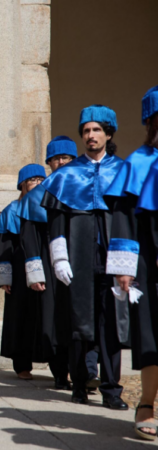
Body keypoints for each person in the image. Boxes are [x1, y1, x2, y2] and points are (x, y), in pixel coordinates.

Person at [39, 105, 126, 408]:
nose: (91, 135)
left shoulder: (123, 172)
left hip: (114, 258)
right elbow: (56, 222)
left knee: (111, 324)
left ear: (108, 133)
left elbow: (132, 220)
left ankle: (112, 390)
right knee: (80, 322)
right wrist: (59, 257)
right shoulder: (67, 175)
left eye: (96, 130)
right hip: (78, 256)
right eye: (86, 131)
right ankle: (78, 384)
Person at [106, 86, 158, 439]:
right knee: (153, 337)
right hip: (150, 266)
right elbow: (123, 218)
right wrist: (125, 266)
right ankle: (148, 403)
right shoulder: (139, 164)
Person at [17, 137, 78, 390]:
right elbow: (29, 238)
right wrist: (35, 273)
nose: (61, 162)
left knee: (82, 317)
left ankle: (85, 371)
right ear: (49, 163)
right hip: (49, 267)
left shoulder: (84, 187)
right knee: (54, 321)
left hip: (82, 264)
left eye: (66, 158)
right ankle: (60, 372)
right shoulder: (35, 197)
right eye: (56, 159)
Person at [0, 164, 46, 379]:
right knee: (21, 317)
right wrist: (5, 276)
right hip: (18, 270)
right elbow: (4, 246)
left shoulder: (48, 206)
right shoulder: (11, 210)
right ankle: (22, 364)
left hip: (46, 269)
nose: (37, 184)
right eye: (32, 180)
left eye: (41, 180)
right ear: (22, 184)